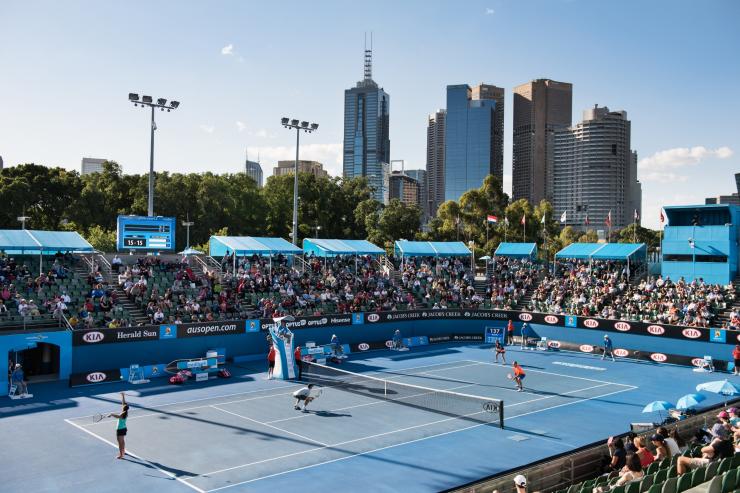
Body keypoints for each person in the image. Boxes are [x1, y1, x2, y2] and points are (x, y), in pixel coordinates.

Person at [109, 392, 129, 459]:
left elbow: (118, 416)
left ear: (123, 408)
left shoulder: (123, 414)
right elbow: (123, 403)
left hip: (120, 429)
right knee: (122, 440)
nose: (122, 405)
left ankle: (121, 455)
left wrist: (111, 414)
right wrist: (123, 396)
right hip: (123, 428)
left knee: (120, 442)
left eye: (123, 406)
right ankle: (123, 451)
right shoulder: (125, 412)